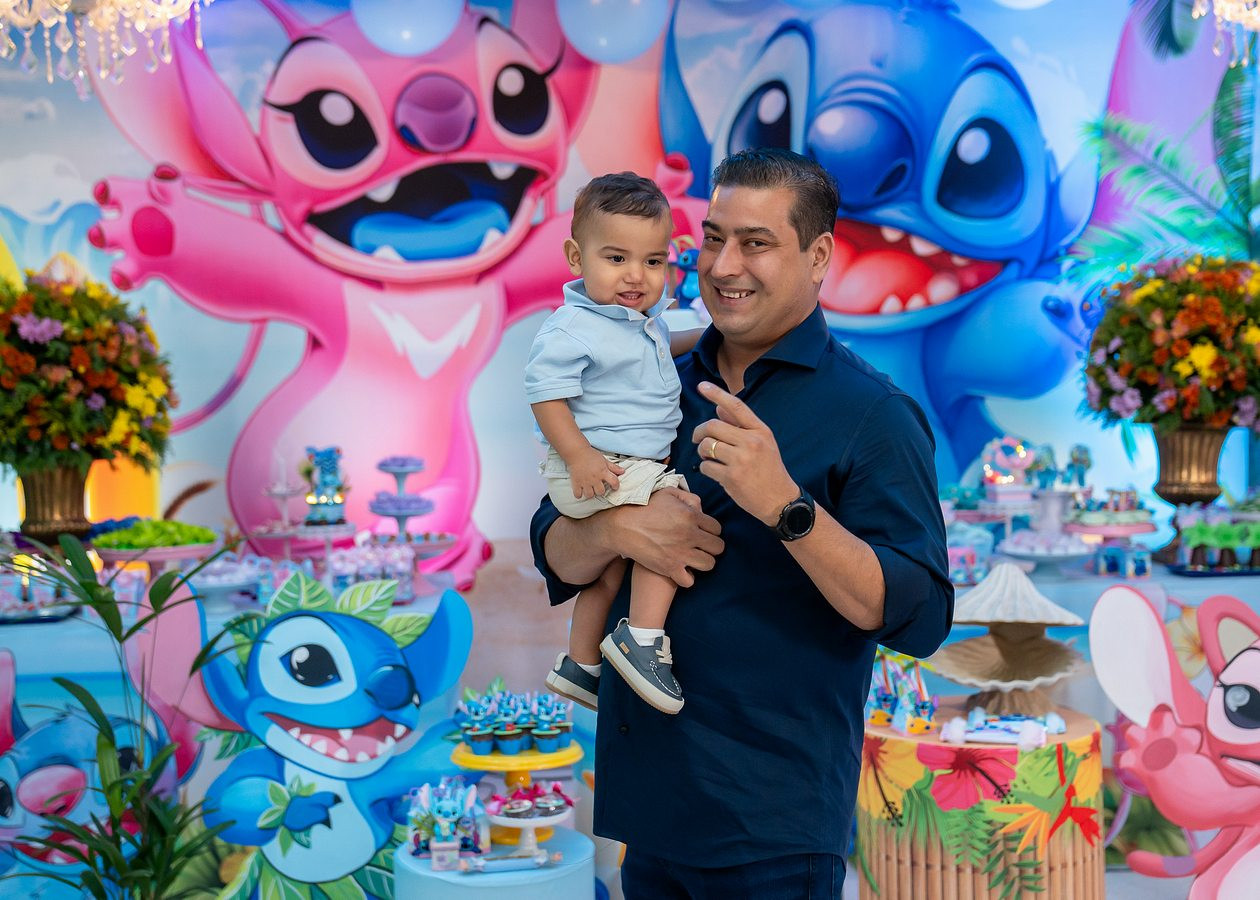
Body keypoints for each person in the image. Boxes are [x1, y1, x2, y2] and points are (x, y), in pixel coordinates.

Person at [530, 148, 953, 898]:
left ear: (818, 256)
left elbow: (918, 618)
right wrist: (617, 532)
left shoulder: (874, 415)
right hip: (648, 810)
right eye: (713, 238)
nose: (724, 266)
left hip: (773, 824)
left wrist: (788, 509)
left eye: (756, 243)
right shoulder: (653, 375)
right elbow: (555, 549)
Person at [525, 172, 704, 715]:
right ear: (576, 258)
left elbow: (663, 344)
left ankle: (580, 665)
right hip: (601, 465)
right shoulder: (573, 327)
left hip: (616, 464)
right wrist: (579, 455)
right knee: (674, 518)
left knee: (610, 571)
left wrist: (709, 335)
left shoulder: (636, 322)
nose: (636, 275)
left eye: (653, 261)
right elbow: (545, 394)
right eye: (617, 258)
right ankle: (641, 640)